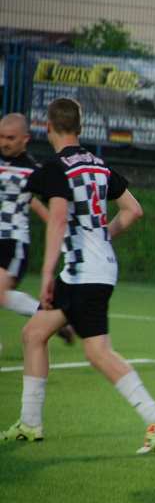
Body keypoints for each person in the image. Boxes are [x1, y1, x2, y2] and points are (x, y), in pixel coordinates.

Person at [3, 98, 155, 452]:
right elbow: (134, 210)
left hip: (82, 273)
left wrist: (48, 271)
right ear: (79, 128)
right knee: (34, 334)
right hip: (94, 269)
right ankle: (30, 423)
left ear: (48, 128)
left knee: (98, 353)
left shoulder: (55, 168)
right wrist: (104, 235)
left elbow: (59, 218)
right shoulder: (97, 165)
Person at [0, 114, 73, 348]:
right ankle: (53, 319)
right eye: (1, 137)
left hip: (12, 242)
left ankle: (50, 318)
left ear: (25, 139)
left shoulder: (34, 171)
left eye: (10, 138)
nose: (4, 142)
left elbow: (51, 208)